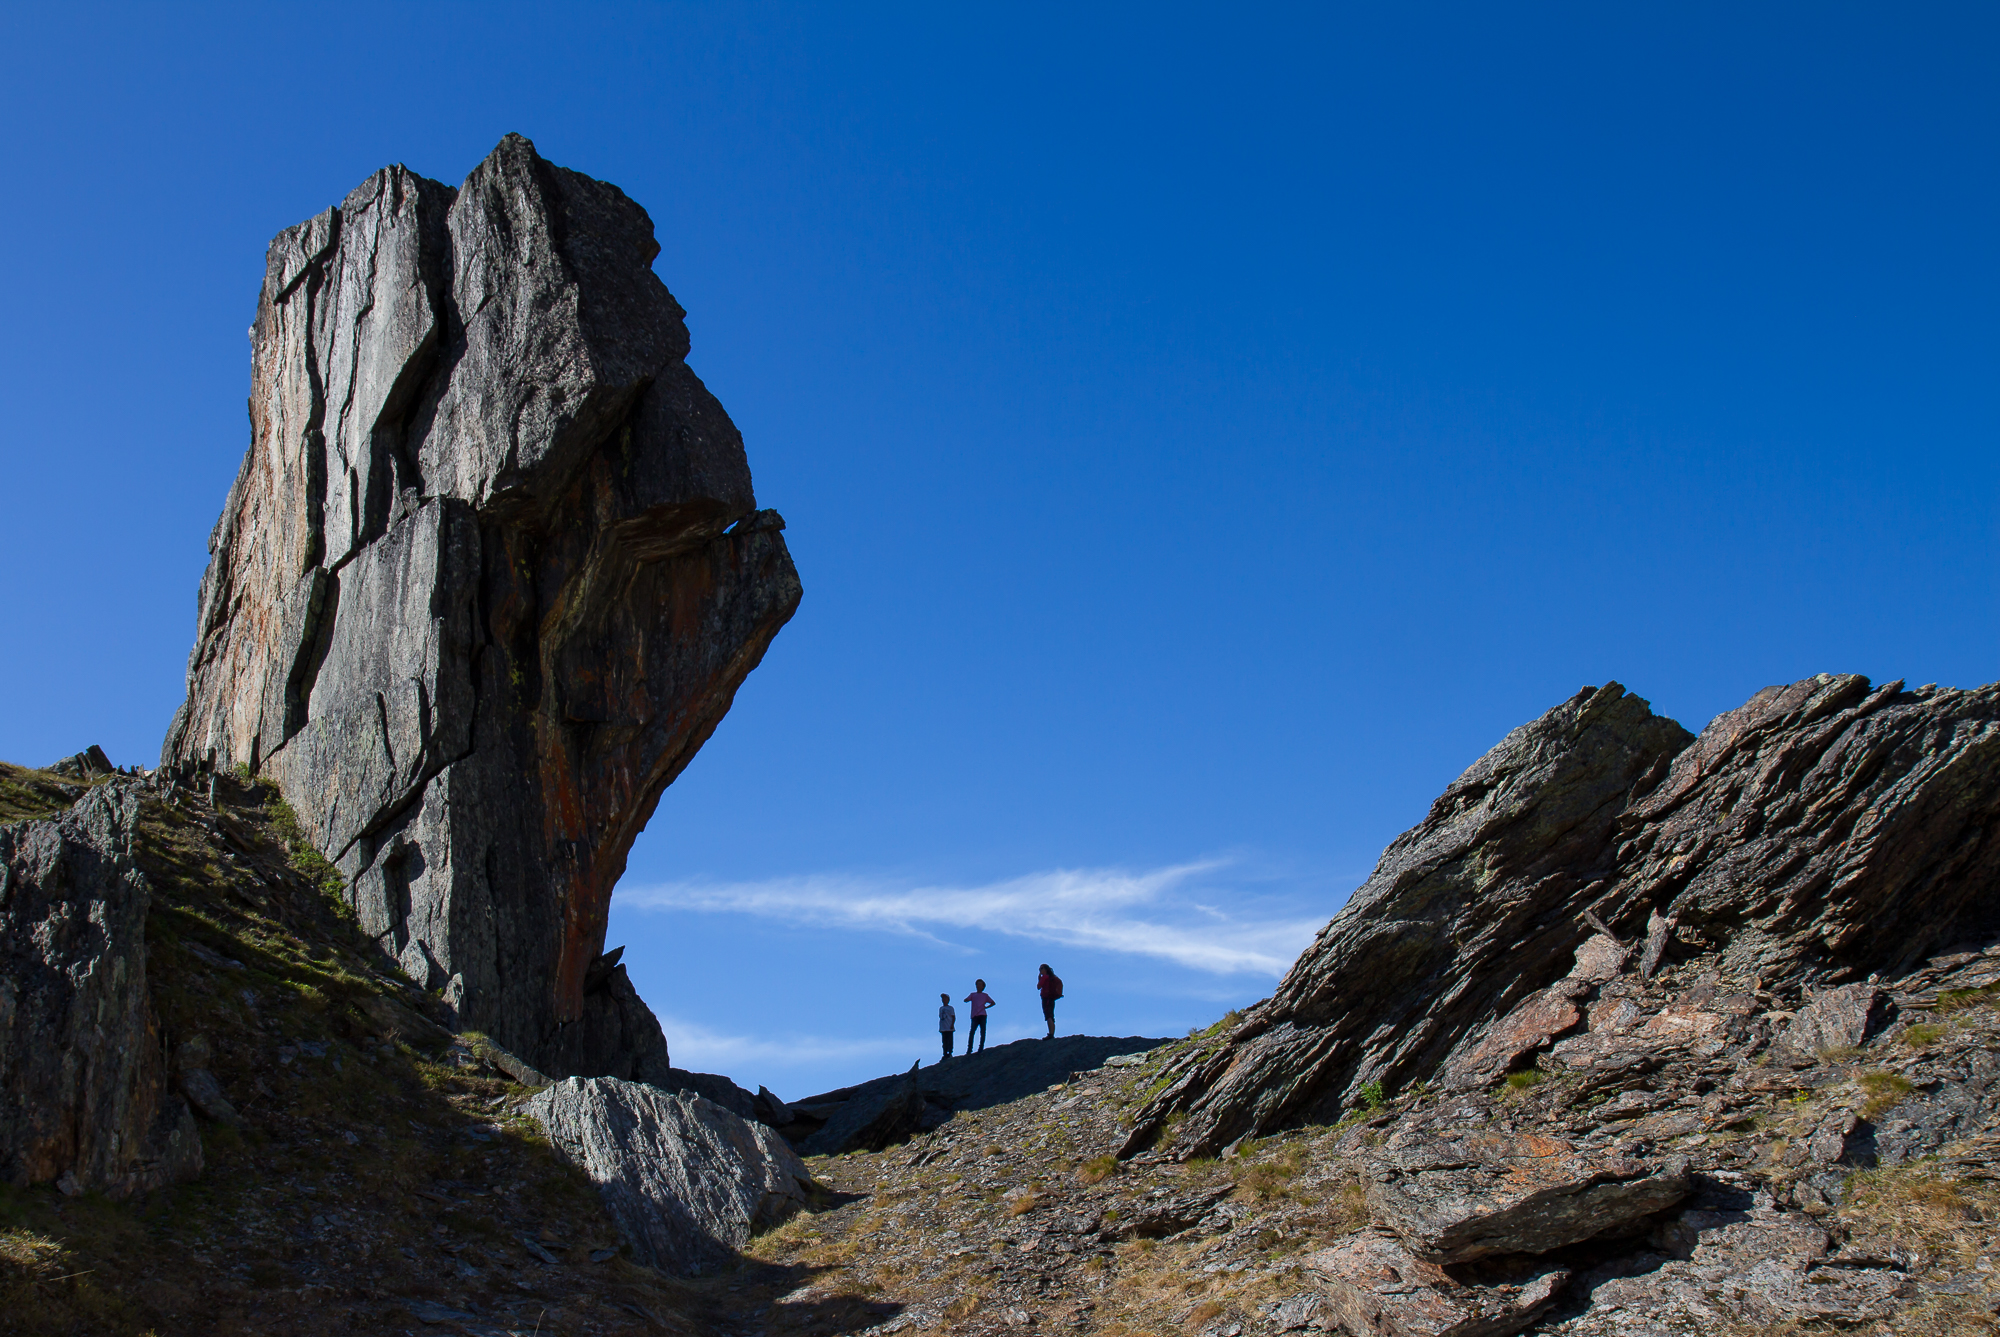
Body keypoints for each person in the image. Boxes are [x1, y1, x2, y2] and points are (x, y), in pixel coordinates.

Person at [963, 979, 995, 1054]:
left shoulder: (985, 995)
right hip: (974, 1015)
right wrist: (966, 1000)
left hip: (982, 1015)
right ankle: (969, 1049)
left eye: (980, 984)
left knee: (982, 1032)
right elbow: (966, 999)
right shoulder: (973, 994)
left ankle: (980, 1048)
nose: (978, 986)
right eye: (977, 984)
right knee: (972, 1032)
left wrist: (986, 1007)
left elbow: (993, 1002)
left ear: (983, 986)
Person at [1037, 963, 1063, 1039]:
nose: (1040, 970)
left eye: (1041, 968)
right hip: (1051, 998)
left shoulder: (1045, 977)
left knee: (1048, 1016)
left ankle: (1051, 1034)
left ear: (1045, 969)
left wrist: (1039, 979)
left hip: (1046, 998)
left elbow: (1038, 987)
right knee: (1051, 1015)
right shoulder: (1051, 978)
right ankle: (1051, 1033)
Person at [937, 992, 956, 1062]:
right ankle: (945, 1054)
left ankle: (950, 1053)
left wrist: (952, 1024)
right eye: (942, 998)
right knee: (944, 1041)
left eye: (945, 998)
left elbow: (953, 1017)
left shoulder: (950, 1008)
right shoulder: (941, 1008)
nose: (943, 1000)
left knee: (950, 1041)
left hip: (949, 1027)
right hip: (943, 1028)